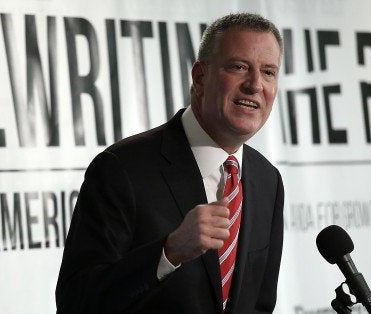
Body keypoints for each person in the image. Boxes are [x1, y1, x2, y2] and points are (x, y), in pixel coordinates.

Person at [56, 12, 284, 314]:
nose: (255, 84)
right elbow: (76, 302)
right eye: (239, 67)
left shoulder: (267, 179)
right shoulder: (122, 169)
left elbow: (260, 305)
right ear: (200, 77)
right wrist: (169, 252)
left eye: (268, 72)